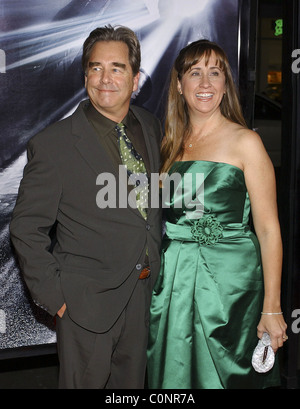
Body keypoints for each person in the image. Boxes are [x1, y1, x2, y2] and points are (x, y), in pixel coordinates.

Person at [10, 25, 162, 389]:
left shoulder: (151, 127)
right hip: (86, 306)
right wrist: (58, 300)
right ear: (85, 75)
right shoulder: (54, 145)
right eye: (95, 68)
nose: (104, 78)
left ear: (135, 78)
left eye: (117, 68)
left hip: (142, 298)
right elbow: (26, 228)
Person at [146, 39, 287, 389]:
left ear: (225, 85)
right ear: (180, 85)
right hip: (174, 283)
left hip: (232, 288)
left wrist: (272, 307)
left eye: (215, 73)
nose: (205, 83)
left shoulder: (246, 142)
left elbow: (268, 229)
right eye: (195, 73)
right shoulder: (167, 146)